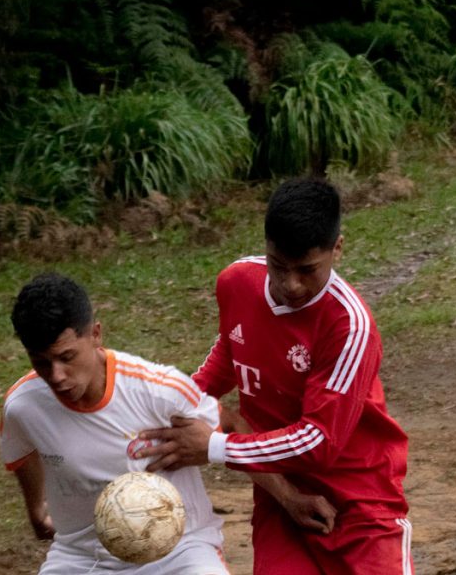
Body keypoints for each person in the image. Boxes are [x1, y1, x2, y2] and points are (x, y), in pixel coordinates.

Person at [136, 179, 415, 574]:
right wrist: (179, 402)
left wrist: (214, 446)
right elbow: (231, 353)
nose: (291, 284)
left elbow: (319, 441)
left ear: (337, 248)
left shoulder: (349, 326)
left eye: (307, 270)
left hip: (361, 503)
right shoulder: (236, 282)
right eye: (278, 266)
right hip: (279, 496)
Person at [1, 272, 234, 574]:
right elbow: (21, 451)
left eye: (67, 357)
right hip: (82, 557)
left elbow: (232, 427)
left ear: (96, 334)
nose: (56, 375)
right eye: (42, 362)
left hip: (180, 551)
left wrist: (286, 496)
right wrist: (36, 510)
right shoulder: (23, 406)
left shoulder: (159, 390)